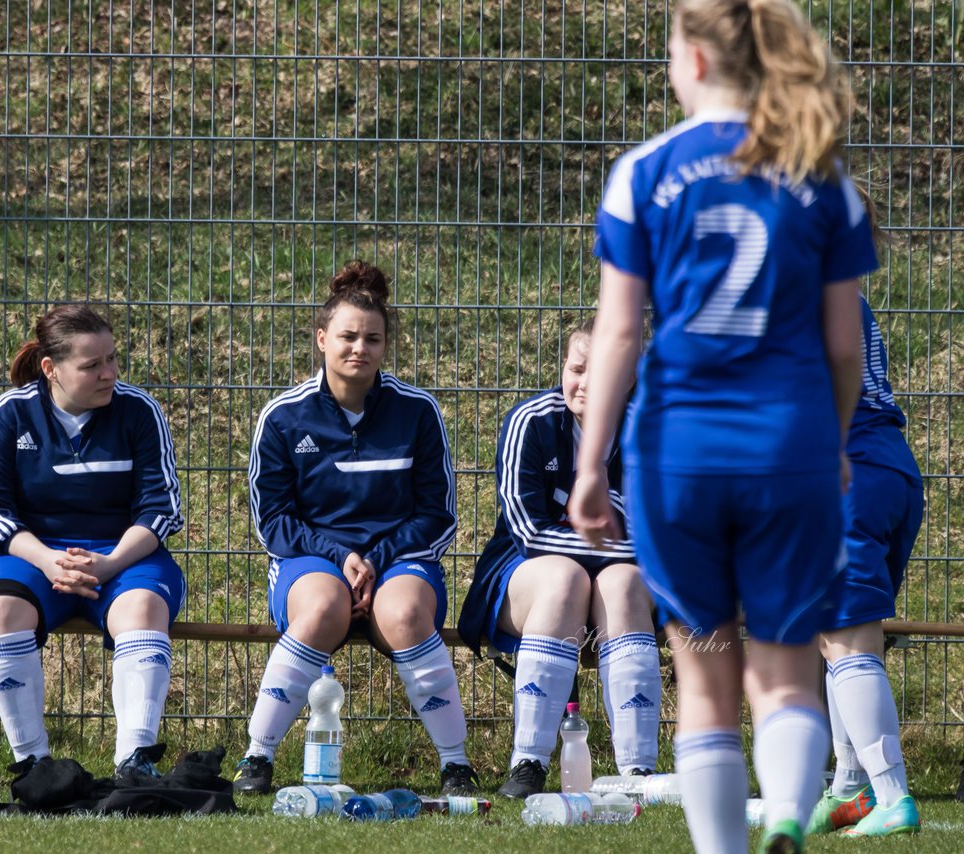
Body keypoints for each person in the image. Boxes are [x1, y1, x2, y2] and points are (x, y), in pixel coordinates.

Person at [569, 0, 876, 851]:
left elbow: (621, 333)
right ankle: (786, 812)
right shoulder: (822, 173)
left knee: (705, 676)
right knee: (783, 668)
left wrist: (592, 465)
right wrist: (837, 442)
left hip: (680, 456)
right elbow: (845, 346)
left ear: (695, 62)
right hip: (790, 451)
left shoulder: (644, 172)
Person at [235, 259, 478, 795]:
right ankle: (258, 756)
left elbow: (437, 515)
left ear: (386, 345)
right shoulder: (283, 417)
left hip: (400, 559)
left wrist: (378, 560)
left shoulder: (417, 411)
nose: (359, 348)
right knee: (324, 606)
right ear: (322, 339)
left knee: (408, 611)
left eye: (372, 338)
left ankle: (456, 763)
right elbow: (272, 521)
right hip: (314, 560)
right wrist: (339, 556)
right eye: (346, 336)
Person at [0, 304, 186, 778]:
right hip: (35, 553)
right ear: (51, 369)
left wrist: (109, 564)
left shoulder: (139, 411)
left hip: (124, 555)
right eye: (92, 365)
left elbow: (162, 507)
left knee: (143, 610)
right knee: (0, 613)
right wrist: (47, 560)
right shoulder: (11, 414)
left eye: (112, 358)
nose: (109, 373)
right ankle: (33, 763)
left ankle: (135, 761)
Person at [458, 319, 661, 798]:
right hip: (527, 573)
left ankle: (638, 772)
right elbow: (527, 532)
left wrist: (616, 557)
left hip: (623, 575)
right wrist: (607, 549)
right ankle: (528, 762)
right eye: (576, 368)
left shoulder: (651, 429)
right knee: (567, 578)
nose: (585, 383)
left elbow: (665, 534)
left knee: (622, 584)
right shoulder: (531, 421)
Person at [806, 229, 923, 835]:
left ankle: (893, 795)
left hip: (846, 469)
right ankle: (852, 789)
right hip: (892, 466)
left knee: (847, 639)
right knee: (842, 635)